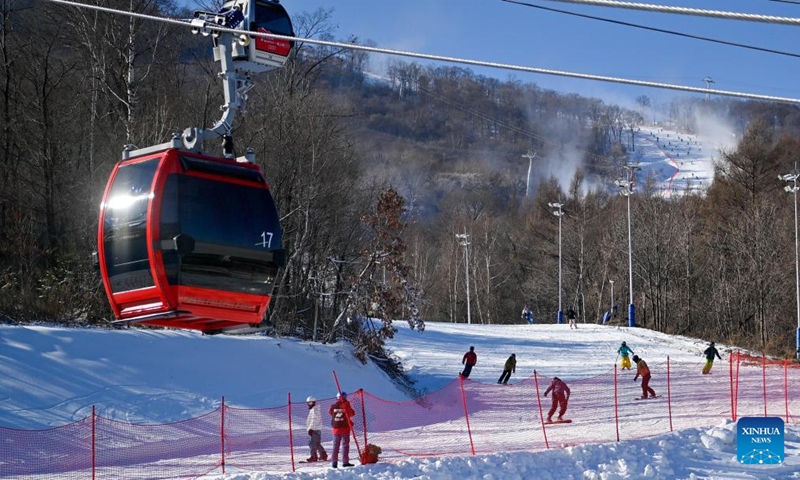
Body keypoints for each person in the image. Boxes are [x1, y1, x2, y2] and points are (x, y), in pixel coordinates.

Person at [329, 391, 356, 468]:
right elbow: (352, 413)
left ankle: (334, 463)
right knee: (345, 445)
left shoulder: (333, 406)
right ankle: (345, 462)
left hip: (336, 429)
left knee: (335, 446)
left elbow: (330, 412)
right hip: (344, 428)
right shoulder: (346, 404)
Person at [305, 396, 327, 462]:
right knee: (316, 443)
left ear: (313, 402)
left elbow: (314, 419)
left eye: (310, 403)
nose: (309, 404)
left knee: (311, 443)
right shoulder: (314, 409)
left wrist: (311, 428)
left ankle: (314, 456)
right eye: (308, 403)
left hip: (315, 429)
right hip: (315, 429)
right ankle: (323, 455)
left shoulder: (315, 410)